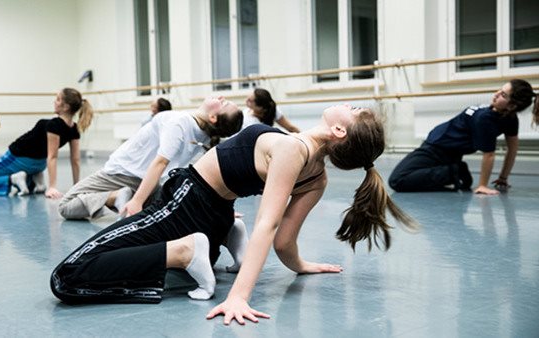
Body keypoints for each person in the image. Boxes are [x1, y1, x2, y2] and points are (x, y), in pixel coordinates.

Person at [50, 104, 418, 323]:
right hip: (216, 215)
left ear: (339, 130)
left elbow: (270, 225)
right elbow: (285, 240)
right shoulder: (317, 177)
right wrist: (300, 264)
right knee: (142, 261)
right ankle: (222, 237)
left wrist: (239, 296)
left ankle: (187, 250)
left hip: (186, 205)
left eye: (354, 111)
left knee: (68, 277)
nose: (350, 104)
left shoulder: (292, 148)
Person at [57, 97, 243, 220]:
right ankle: (120, 199)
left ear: (212, 117)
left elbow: (160, 163)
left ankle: (115, 197)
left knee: (65, 206)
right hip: (151, 184)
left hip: (122, 171)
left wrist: (137, 201)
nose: (220, 98)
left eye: (224, 103)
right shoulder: (204, 134)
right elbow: (206, 178)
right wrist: (222, 209)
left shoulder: (179, 122)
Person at [389, 79, 538, 195]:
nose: (497, 93)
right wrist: (496, 180)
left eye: (503, 95)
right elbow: (501, 152)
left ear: (512, 106)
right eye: (500, 89)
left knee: (397, 181)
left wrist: (485, 185)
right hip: (436, 147)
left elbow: (497, 153)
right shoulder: (493, 115)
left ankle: (454, 171)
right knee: (402, 179)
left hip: (441, 151)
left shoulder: (497, 119)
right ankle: (454, 171)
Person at [0, 88, 93, 198]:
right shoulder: (74, 128)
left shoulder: (53, 124)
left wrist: (52, 187)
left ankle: (13, 179)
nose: (54, 102)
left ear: (65, 107)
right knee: (24, 183)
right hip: (39, 164)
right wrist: (77, 186)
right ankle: (36, 180)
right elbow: (75, 159)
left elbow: (53, 157)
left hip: (17, 159)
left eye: (58, 99)